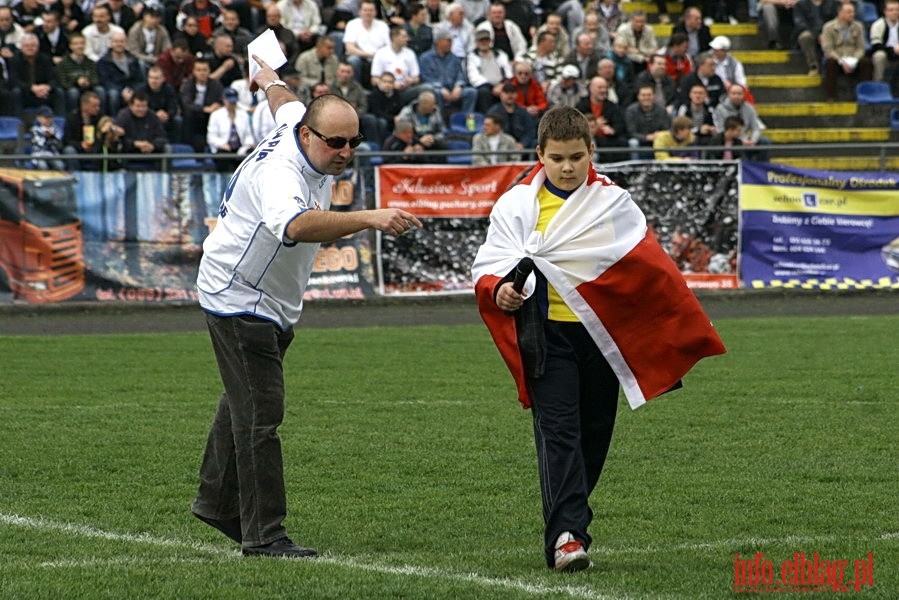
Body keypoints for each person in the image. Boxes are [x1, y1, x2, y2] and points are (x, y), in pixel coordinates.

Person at [470, 105, 726, 573]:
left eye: (576, 157)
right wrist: (499, 289)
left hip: (604, 338)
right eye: (557, 158)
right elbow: (490, 265)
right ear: (539, 156)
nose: (567, 168)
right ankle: (568, 538)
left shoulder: (614, 203)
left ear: (592, 152)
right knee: (560, 432)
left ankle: (571, 520)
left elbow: (645, 268)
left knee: (594, 435)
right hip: (545, 333)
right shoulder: (514, 206)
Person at [192, 54, 422, 559]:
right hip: (240, 297)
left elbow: (279, 93)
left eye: (353, 143)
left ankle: (213, 500)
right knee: (261, 415)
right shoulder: (280, 174)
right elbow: (295, 226)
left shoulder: (298, 120)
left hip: (265, 298)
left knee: (244, 400)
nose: (344, 152)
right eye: (334, 142)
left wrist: (265, 72)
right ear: (308, 136)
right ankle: (264, 534)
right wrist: (369, 217)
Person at [418, 25, 478, 117]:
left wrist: (458, 87)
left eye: (451, 41)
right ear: (438, 42)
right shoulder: (425, 58)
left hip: (453, 90)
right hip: (437, 90)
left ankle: (465, 120)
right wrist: (440, 88)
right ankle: (440, 122)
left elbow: (460, 75)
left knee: (471, 92)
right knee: (436, 93)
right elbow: (426, 78)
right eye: (448, 41)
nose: (451, 43)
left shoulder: (454, 58)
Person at [819, 2, 873, 101]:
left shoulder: (858, 26)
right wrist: (841, 61)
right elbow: (828, 49)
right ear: (840, 13)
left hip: (853, 57)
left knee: (866, 62)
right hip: (838, 58)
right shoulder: (828, 27)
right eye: (849, 12)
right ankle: (831, 97)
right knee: (830, 63)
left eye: (853, 12)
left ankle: (865, 95)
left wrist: (854, 60)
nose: (852, 14)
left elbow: (861, 47)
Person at [207, 86, 255, 171]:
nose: (232, 104)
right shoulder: (216, 115)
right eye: (229, 101)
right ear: (223, 100)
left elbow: (248, 134)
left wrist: (249, 143)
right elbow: (211, 137)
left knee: (250, 153)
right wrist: (222, 144)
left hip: (240, 149)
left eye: (234, 102)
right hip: (223, 149)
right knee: (223, 155)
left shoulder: (243, 115)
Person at [624, 84, 670, 158]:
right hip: (639, 140)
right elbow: (631, 132)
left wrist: (659, 134)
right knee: (633, 142)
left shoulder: (661, 110)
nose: (646, 98)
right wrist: (646, 137)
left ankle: (663, 166)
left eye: (649, 95)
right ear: (638, 97)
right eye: (643, 95)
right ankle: (634, 167)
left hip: (657, 139)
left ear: (654, 96)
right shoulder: (631, 111)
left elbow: (666, 128)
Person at [793, 0, 838, 76]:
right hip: (810, 31)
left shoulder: (832, 3)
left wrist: (825, 33)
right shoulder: (800, 4)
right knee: (805, 36)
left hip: (828, 31)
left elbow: (835, 20)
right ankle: (813, 66)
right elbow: (800, 23)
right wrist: (817, 34)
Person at [870, 0, 899, 93]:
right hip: (886, 55)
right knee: (879, 56)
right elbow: (876, 45)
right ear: (885, 12)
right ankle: (878, 85)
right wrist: (892, 50)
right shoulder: (878, 25)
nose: (895, 12)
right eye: (891, 10)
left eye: (897, 10)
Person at [29, 105, 66, 170]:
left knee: (60, 165)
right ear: (38, 118)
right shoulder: (34, 129)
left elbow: (58, 144)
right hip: (39, 155)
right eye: (46, 117)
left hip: (53, 155)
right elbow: (39, 144)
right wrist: (46, 137)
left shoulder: (56, 129)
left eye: (50, 117)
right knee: (43, 166)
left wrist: (51, 136)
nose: (49, 120)